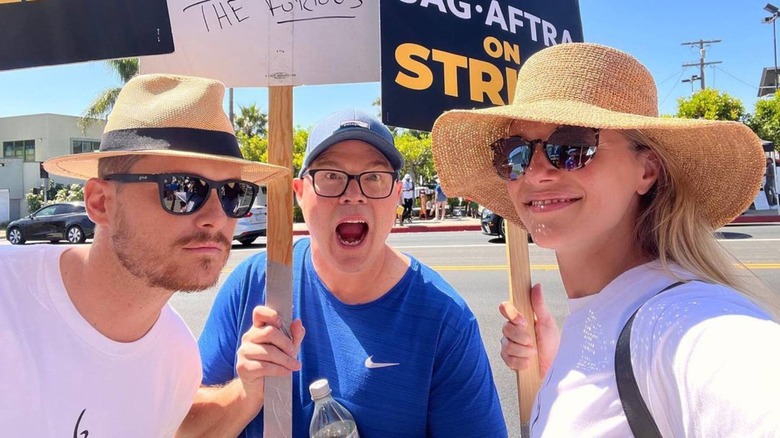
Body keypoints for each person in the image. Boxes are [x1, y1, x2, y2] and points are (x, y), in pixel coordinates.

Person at [430, 43, 780, 436]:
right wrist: (559, 369)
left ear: (647, 171)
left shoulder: (687, 325)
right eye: (515, 153)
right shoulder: (604, 317)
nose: (536, 172)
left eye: (573, 147)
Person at [178, 109, 506, 437]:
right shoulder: (255, 284)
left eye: (374, 177)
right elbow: (180, 427)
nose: (353, 193)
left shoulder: (445, 320)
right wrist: (245, 392)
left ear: (396, 197)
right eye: (331, 176)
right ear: (300, 193)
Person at [0, 74, 288, 436]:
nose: (217, 217)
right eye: (182, 190)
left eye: (232, 193)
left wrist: (250, 389)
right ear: (100, 202)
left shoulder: (177, 362)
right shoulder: (7, 302)